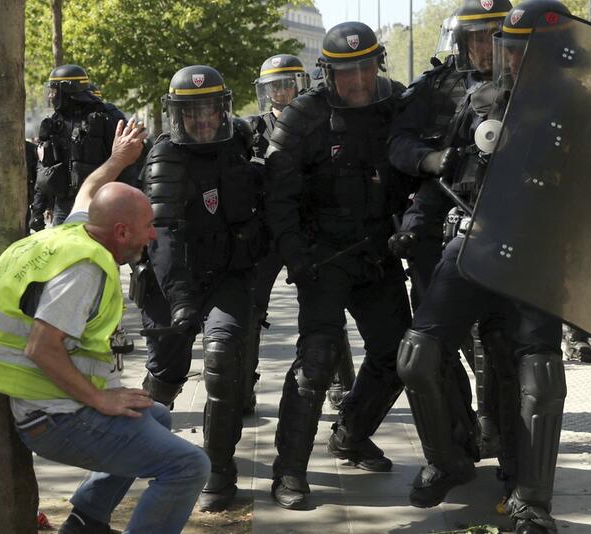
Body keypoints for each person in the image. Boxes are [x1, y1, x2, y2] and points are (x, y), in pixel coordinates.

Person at [0, 120, 210, 534]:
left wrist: (119, 159)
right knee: (188, 465)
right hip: (53, 417)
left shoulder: (73, 231)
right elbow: (42, 347)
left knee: (155, 416)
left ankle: (85, 522)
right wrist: (99, 399)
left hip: (50, 403)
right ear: (121, 231)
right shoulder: (83, 269)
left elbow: (90, 188)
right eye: (147, 227)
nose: (152, 236)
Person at [396, 3, 574, 532]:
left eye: (526, 51)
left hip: (541, 252)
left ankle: (533, 501)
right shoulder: (479, 103)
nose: (514, 61)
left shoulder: (589, 111)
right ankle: (449, 459)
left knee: (537, 369)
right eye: (509, 50)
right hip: (474, 241)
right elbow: (448, 172)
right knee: (416, 355)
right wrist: (415, 221)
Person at [264, 21, 412, 510]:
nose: (358, 82)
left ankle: (350, 433)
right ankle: (289, 471)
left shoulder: (395, 106)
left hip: (378, 254)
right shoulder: (301, 119)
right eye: (347, 73)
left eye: (366, 69)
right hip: (323, 259)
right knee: (317, 362)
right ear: (327, 73)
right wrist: (298, 258)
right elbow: (278, 198)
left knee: (398, 356)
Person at [137, 65, 266, 511]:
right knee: (165, 374)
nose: (202, 121)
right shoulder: (165, 157)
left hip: (228, 276)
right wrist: (180, 301)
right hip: (171, 284)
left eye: (210, 110)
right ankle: (145, 449)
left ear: (223, 110)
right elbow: (163, 234)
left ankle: (219, 468)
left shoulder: (241, 145)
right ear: (178, 115)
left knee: (223, 357)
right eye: (191, 113)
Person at [388, 0, 513, 462]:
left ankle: (498, 433)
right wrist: (431, 159)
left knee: (499, 343)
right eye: (476, 37)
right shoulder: (435, 87)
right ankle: (456, 443)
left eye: (494, 35)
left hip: (507, 233)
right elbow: (397, 141)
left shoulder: (531, 86)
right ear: (461, 41)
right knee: (436, 348)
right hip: (436, 227)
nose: (485, 47)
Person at [244, 54, 356, 413]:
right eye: (274, 86)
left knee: (326, 306)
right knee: (250, 308)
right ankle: (242, 384)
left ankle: (341, 385)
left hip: (308, 228)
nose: (281, 92)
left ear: (301, 83)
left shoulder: (320, 123)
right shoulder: (250, 129)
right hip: (265, 230)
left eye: (288, 83)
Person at [34, 65, 136, 227]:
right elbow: (45, 169)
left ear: (67, 89)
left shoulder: (107, 117)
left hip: (102, 202)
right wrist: (37, 210)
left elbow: (129, 162)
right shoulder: (54, 122)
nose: (51, 96)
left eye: (54, 91)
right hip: (64, 206)